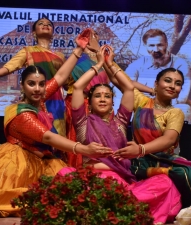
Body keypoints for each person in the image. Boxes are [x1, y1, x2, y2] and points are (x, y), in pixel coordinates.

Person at [0, 43, 112, 218]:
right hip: (17, 163)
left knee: (70, 196)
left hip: (43, 160)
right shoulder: (20, 112)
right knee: (19, 199)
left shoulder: (41, 98)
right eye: (31, 84)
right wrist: (83, 149)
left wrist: (79, 49)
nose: (37, 89)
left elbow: (61, 76)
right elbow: (47, 137)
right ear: (22, 86)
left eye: (41, 84)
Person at [59, 44, 182, 224]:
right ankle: (117, 208)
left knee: (164, 182)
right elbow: (77, 87)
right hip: (89, 179)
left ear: (112, 102)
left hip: (117, 182)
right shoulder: (82, 122)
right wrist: (98, 64)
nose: (102, 99)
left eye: (107, 96)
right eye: (97, 96)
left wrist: (110, 63)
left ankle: (110, 205)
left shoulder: (121, 122)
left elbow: (128, 89)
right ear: (90, 103)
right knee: (64, 173)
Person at [108, 62, 191, 208]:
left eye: (178, 84)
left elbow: (168, 139)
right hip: (138, 160)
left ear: (180, 90)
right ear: (156, 84)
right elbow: (117, 80)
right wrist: (107, 61)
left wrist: (140, 149)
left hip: (163, 159)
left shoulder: (175, 112)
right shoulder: (142, 102)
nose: (172, 86)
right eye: (167, 80)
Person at [115, 28, 191, 122]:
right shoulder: (137, 65)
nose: (156, 49)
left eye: (160, 45)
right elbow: (123, 85)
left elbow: (182, 96)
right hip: (141, 107)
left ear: (166, 44)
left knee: (185, 109)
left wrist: (158, 106)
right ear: (145, 46)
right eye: (151, 45)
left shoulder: (180, 64)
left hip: (168, 107)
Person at [64, 28, 110, 168]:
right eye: (86, 36)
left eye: (94, 35)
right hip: (79, 104)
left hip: (100, 105)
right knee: (78, 139)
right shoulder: (75, 59)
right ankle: (75, 173)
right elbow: (66, 84)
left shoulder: (104, 59)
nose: (91, 38)